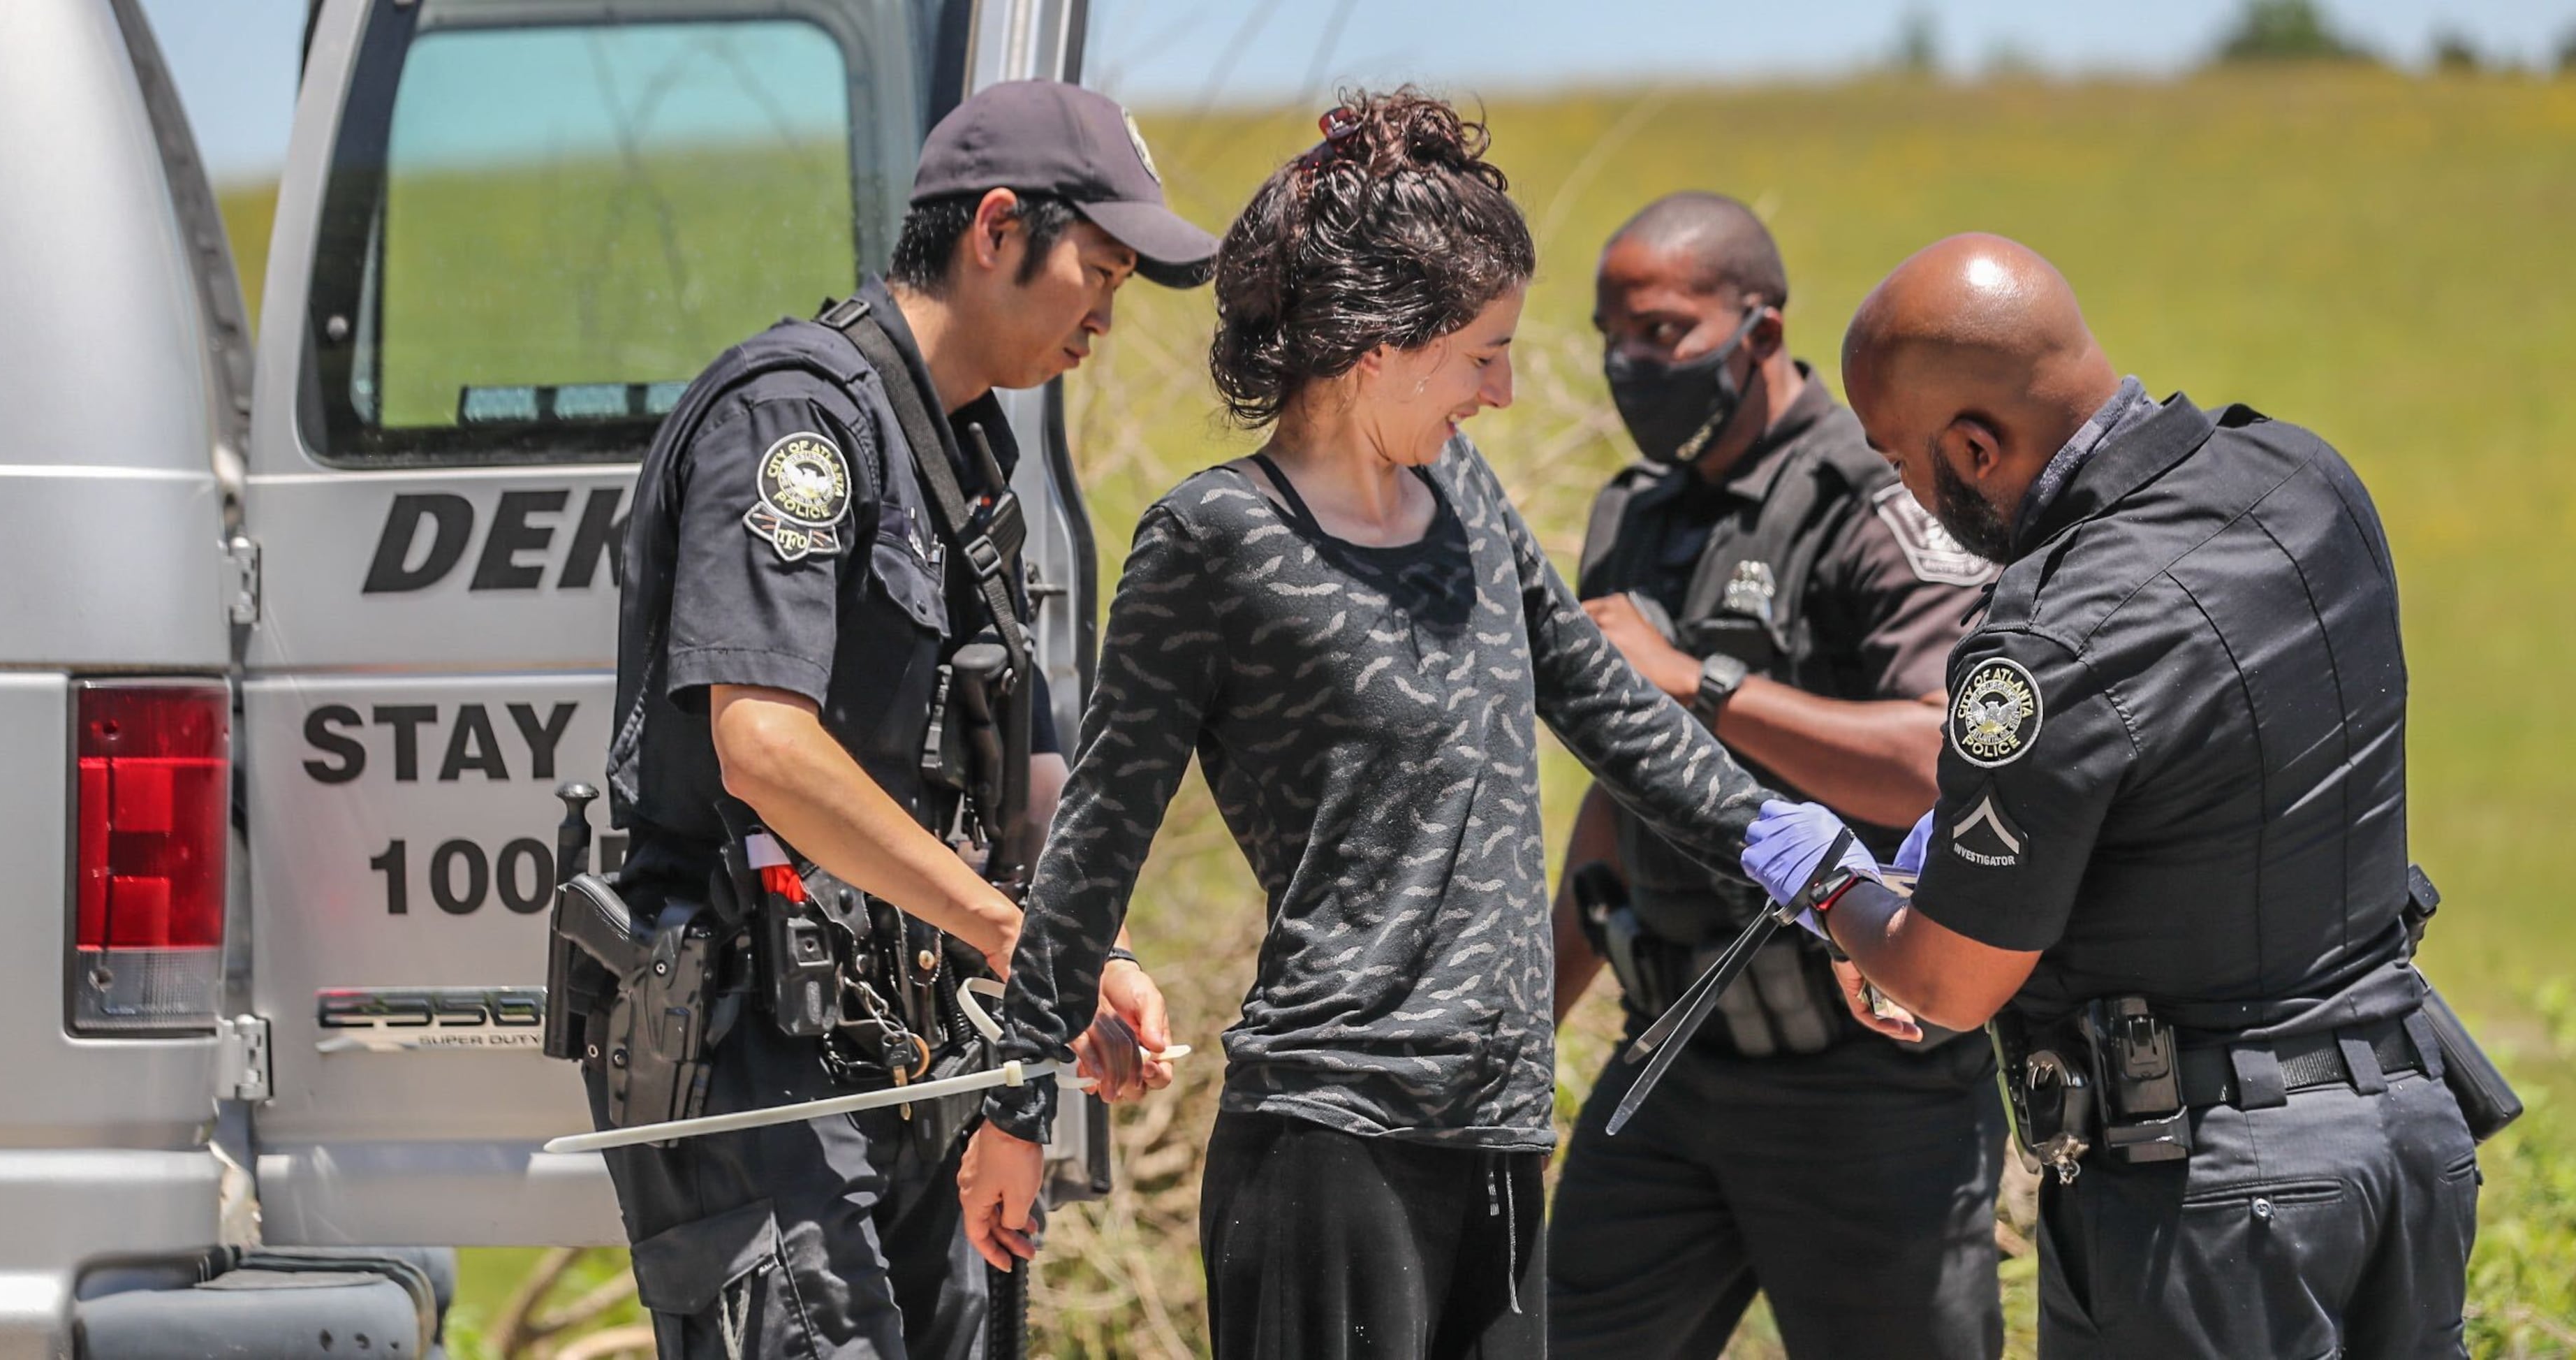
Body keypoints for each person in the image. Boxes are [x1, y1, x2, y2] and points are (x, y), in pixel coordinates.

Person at [952, 92, 1772, 1360]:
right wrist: (1017, 1094)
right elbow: (1101, 831)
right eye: (1482, 353)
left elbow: (1609, 707)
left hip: (1499, 1135)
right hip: (1329, 1151)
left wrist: (1797, 852)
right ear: (1380, 347)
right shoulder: (1214, 541)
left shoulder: (1469, 500)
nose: (1502, 390)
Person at [1739, 233, 2478, 1357]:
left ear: (1977, 446)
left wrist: (1836, 886)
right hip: (2408, 1138)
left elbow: (1948, 981)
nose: (1906, 489)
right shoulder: (2302, 475)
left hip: (2216, 1206)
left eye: (1901, 460)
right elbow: (2230, 771)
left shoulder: (2041, 646)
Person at [591, 80, 1216, 1359]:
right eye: (1095, 271)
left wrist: (1098, 955)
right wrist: (1014, 936)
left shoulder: (969, 452)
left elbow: (1022, 758)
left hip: (913, 1048)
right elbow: (760, 744)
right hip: (754, 1043)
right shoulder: (796, 419)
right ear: (995, 230)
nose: (1108, 314)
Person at [1545, 192, 2005, 1360]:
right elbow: (1625, 783)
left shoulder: (1876, 494)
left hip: (1866, 1093)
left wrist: (1697, 683)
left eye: (1661, 333)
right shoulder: (1633, 516)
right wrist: (1529, 1017)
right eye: (1611, 334)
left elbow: (1938, 761)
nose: (1628, 364)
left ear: (1759, 331)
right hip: (1670, 1065)